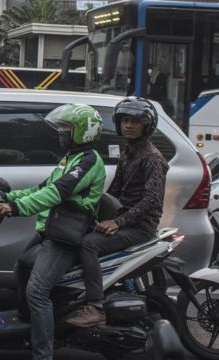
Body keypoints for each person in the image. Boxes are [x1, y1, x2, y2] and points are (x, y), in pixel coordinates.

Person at [0, 104, 106, 360]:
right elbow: (41, 187)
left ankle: (43, 354)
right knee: (20, 267)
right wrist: (6, 196)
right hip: (50, 229)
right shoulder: (71, 158)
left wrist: (15, 207)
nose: (61, 133)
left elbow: (55, 193)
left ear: (83, 132)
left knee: (37, 291)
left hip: (65, 235)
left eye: (66, 129)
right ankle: (27, 325)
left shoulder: (88, 161)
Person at [67, 97, 169, 328]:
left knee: (89, 244)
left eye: (135, 121)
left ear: (146, 126)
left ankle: (95, 306)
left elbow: (152, 201)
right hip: (123, 220)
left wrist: (117, 222)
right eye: (124, 120)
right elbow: (114, 190)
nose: (129, 125)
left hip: (140, 227)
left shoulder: (152, 158)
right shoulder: (128, 151)